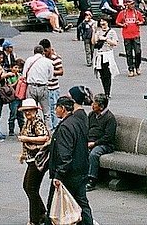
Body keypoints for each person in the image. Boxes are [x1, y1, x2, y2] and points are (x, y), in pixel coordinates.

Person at [48, 96, 94, 225]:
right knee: (82, 204)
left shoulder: (64, 127)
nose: (55, 110)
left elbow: (65, 155)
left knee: (54, 206)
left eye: (56, 107)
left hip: (69, 174)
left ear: (62, 109)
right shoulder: (78, 122)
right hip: (81, 169)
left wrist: (58, 175)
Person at [17, 96, 51, 225]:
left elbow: (44, 138)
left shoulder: (38, 122)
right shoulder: (28, 122)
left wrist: (26, 139)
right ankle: (41, 212)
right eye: (26, 111)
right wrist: (23, 154)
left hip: (38, 159)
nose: (27, 113)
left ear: (36, 111)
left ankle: (35, 219)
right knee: (28, 186)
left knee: (31, 188)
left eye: (30, 110)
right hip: (31, 158)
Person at [84, 93, 116, 191]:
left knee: (94, 154)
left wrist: (95, 143)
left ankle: (91, 179)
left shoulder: (110, 118)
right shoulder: (91, 115)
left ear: (101, 107)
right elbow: (87, 128)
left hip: (104, 144)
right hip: (91, 141)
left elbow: (108, 137)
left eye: (95, 104)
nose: (92, 105)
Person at [115, 1, 145, 77]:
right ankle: (131, 69)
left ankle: (137, 66)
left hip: (136, 35)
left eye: (133, 4)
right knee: (129, 53)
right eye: (131, 4)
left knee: (138, 52)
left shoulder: (136, 12)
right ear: (127, 4)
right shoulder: (123, 13)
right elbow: (117, 22)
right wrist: (122, 24)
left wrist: (139, 22)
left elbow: (142, 20)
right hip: (127, 35)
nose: (133, 5)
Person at [90, 19, 119, 98]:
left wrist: (106, 39)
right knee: (102, 75)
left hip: (107, 55)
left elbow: (115, 43)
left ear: (107, 22)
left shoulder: (112, 32)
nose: (102, 23)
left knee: (107, 74)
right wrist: (94, 31)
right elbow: (93, 42)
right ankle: (105, 90)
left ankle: (107, 92)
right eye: (101, 22)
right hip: (99, 55)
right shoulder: (98, 32)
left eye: (104, 22)